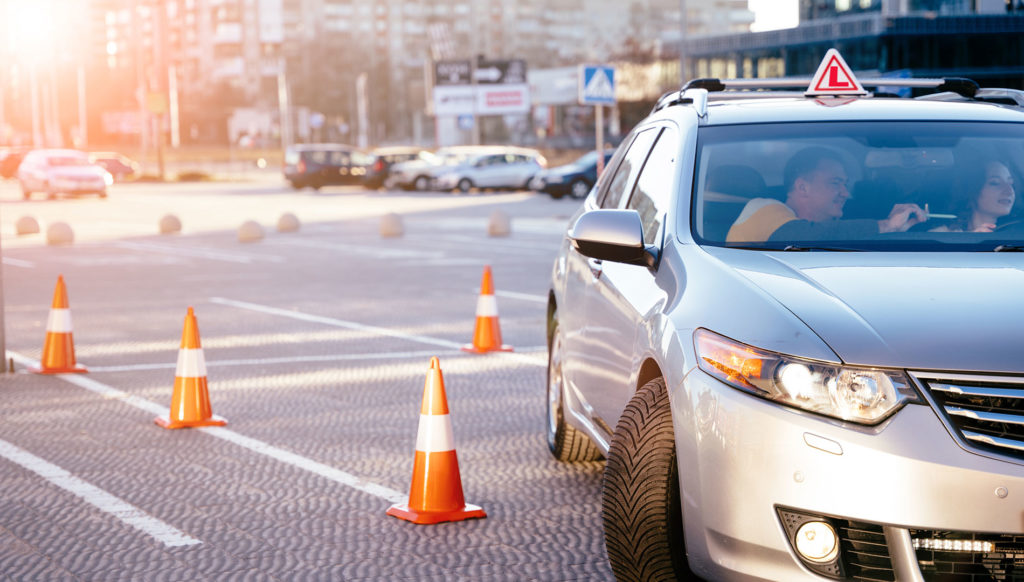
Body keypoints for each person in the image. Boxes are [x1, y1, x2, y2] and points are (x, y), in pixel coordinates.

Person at [726, 147, 927, 243]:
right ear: (802, 187)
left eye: (845, 184)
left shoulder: (826, 234)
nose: (845, 193)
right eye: (835, 183)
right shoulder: (762, 207)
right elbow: (802, 234)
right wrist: (886, 225)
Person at [930, 159, 1016, 233]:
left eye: (1011, 183)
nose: (1010, 191)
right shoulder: (942, 235)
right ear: (972, 191)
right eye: (995, 183)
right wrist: (971, 239)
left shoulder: (1014, 238)